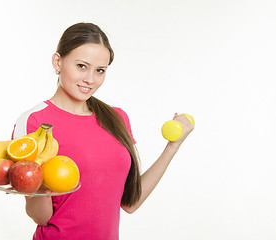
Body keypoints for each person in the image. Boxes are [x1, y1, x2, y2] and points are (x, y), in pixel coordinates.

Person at [12, 22, 194, 240]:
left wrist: (173, 146)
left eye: (100, 70)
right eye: (81, 66)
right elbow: (41, 217)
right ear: (57, 62)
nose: (90, 79)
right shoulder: (35, 122)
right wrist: (37, 179)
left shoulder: (116, 118)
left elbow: (131, 203)